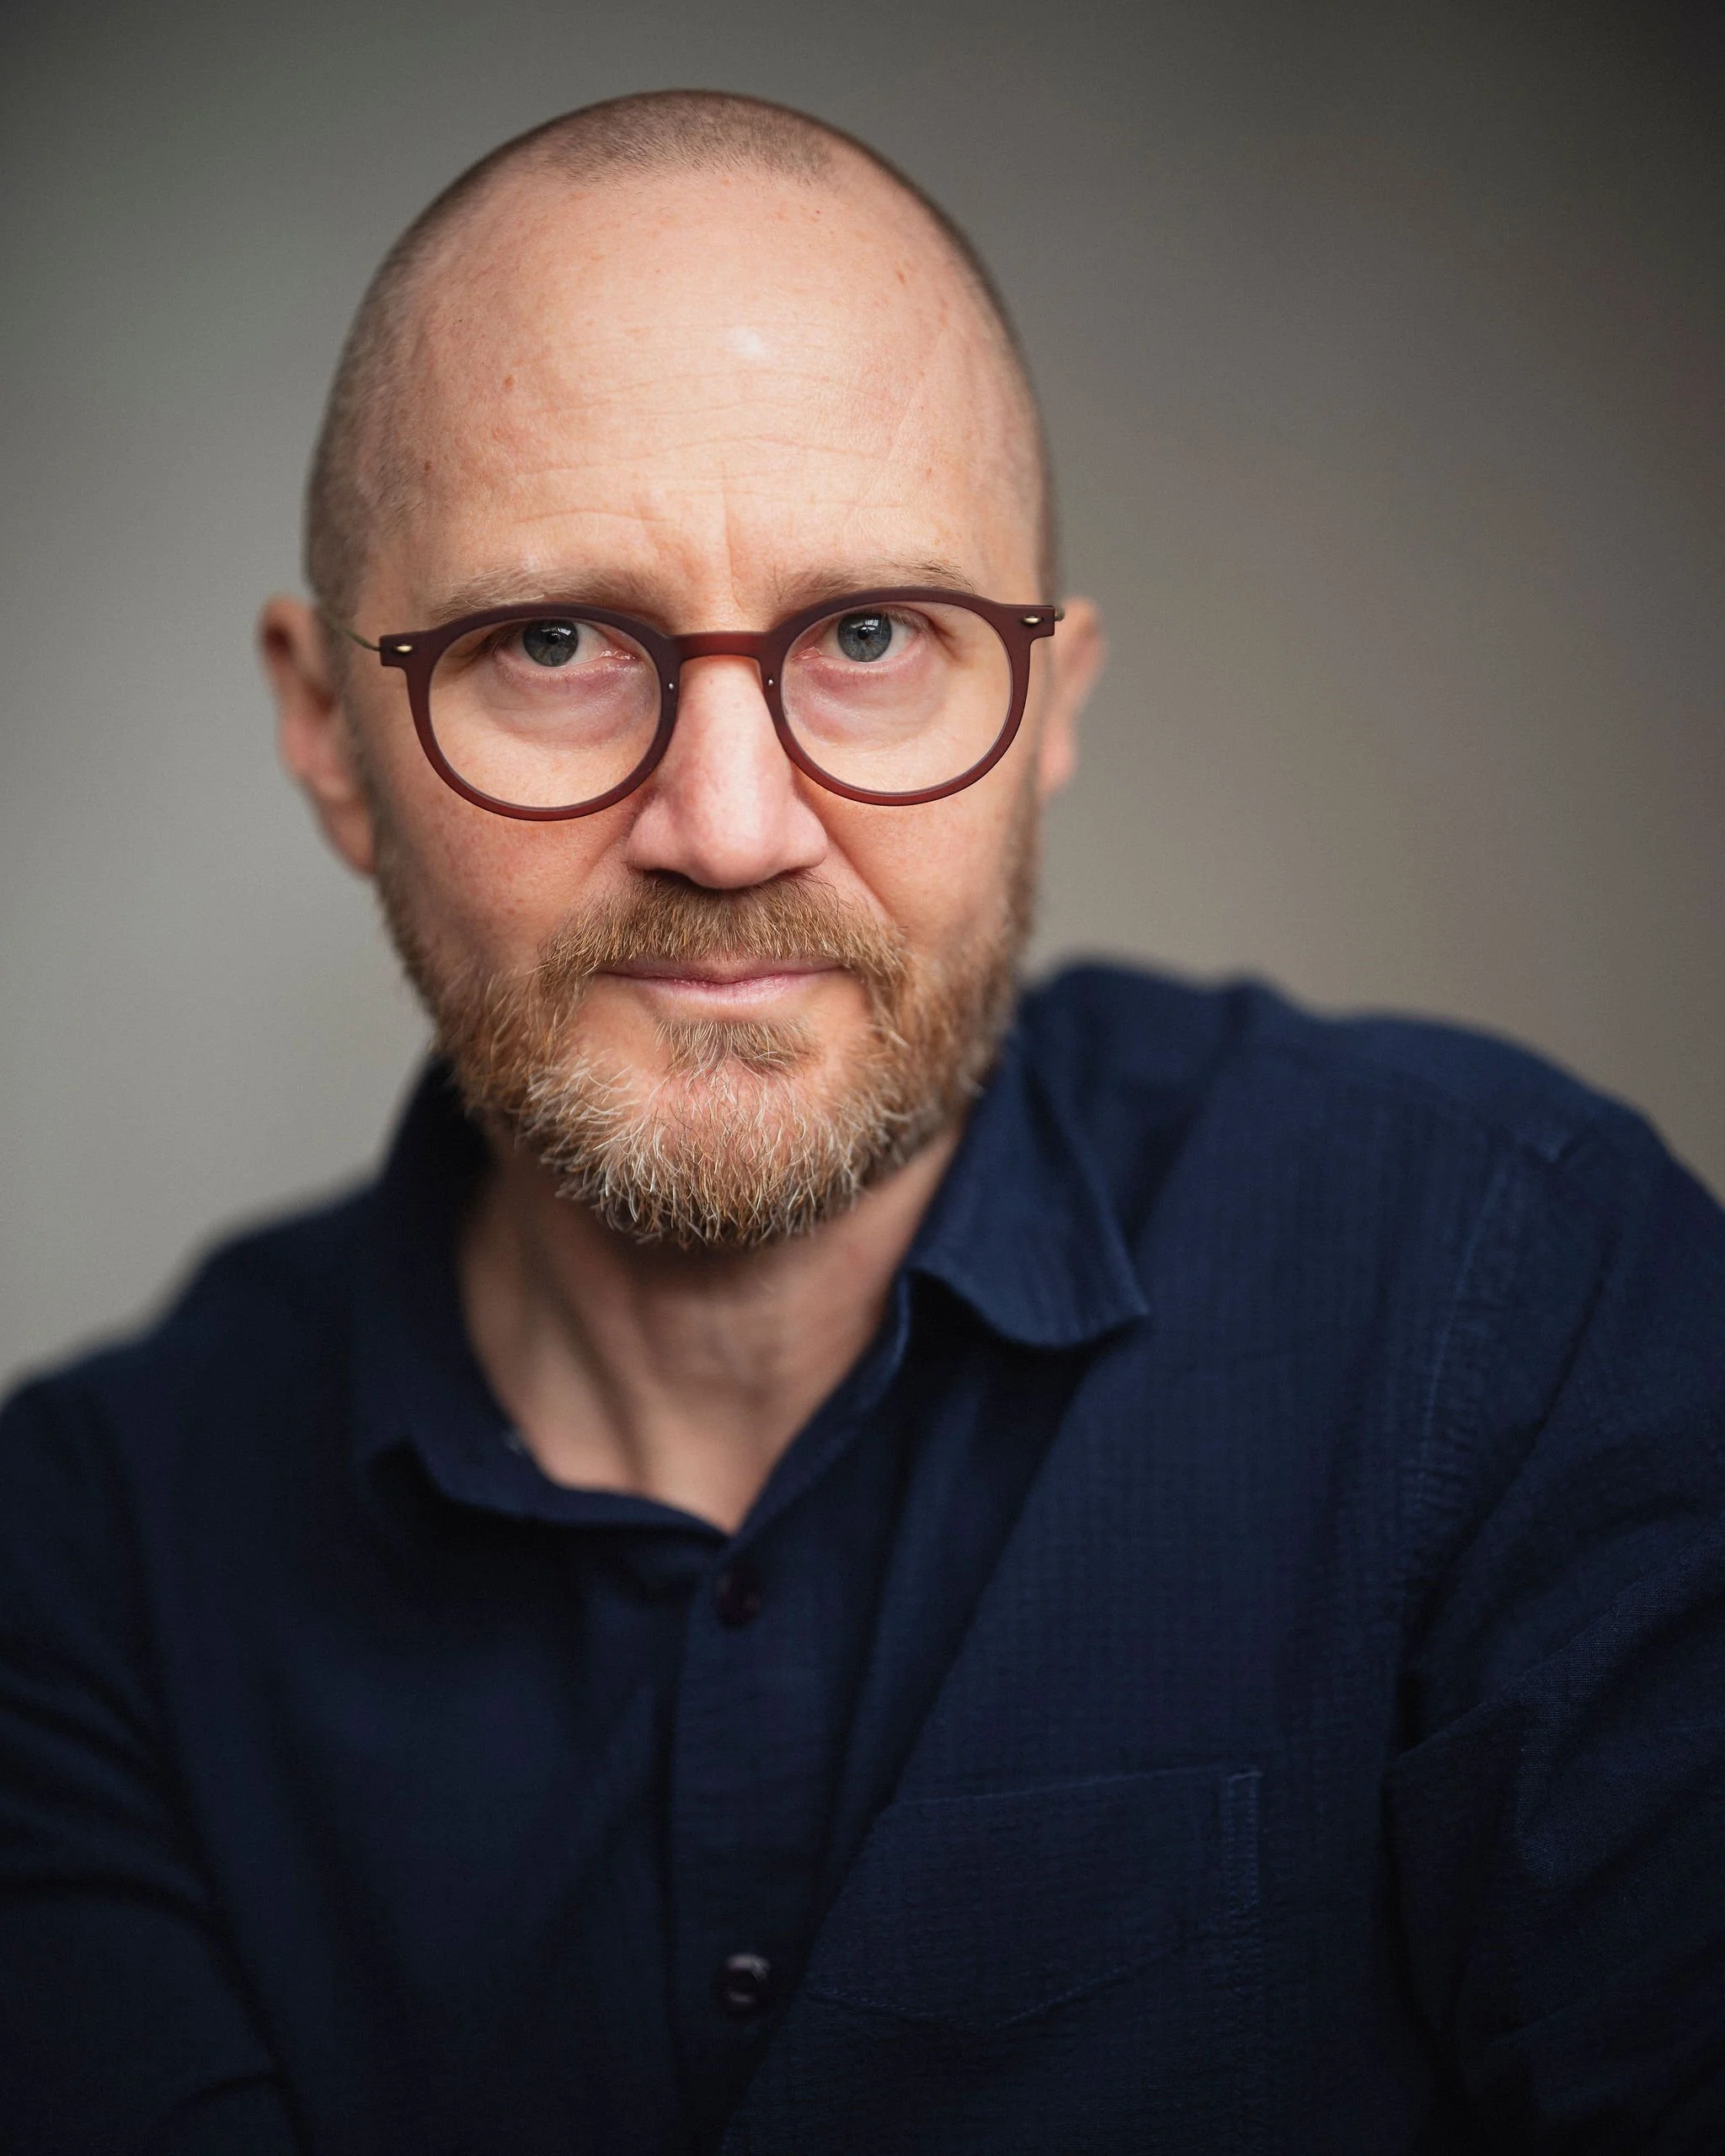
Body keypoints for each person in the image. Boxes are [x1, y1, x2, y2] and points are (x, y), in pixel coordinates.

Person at [2, 88, 1722, 2156]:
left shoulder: (1516, 1307)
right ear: (326, 727)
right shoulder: (79, 1565)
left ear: (1054, 704)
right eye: (552, 641)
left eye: (872, 636)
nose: (727, 826)